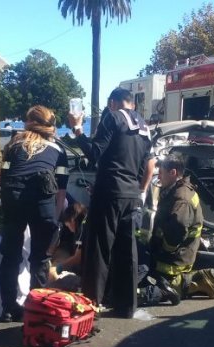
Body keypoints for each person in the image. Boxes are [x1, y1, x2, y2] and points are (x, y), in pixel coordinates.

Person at [68, 87, 152, 318]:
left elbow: (94, 152)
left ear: (113, 103)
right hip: (131, 194)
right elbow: (148, 163)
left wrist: (77, 128)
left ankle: (90, 305)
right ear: (131, 103)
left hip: (109, 191)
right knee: (127, 251)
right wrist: (140, 190)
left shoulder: (112, 117)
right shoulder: (144, 126)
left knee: (99, 249)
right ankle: (127, 305)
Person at [0, 106, 69, 322]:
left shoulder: (13, 145)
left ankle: (9, 308)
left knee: (10, 255)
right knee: (40, 257)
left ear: (30, 122)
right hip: (41, 201)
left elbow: (4, 175)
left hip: (13, 198)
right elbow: (61, 189)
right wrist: (53, 220)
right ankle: (35, 309)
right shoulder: (58, 150)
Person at [138, 155, 214, 306]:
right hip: (171, 253)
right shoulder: (175, 190)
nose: (158, 177)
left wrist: (164, 250)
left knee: (147, 290)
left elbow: (177, 229)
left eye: (161, 173)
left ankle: (188, 282)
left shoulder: (181, 197)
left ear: (173, 173)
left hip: (174, 258)